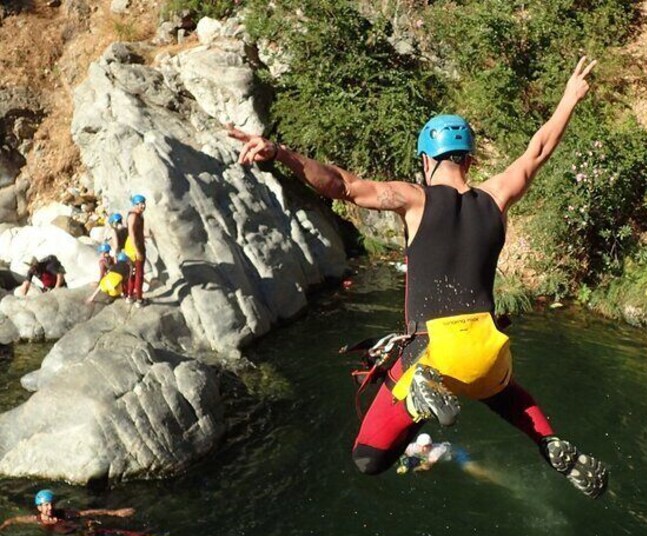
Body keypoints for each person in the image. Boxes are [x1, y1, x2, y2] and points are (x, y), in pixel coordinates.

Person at [229, 57, 608, 498]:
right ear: (471, 159)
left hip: (435, 351)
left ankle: (416, 398)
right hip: (489, 349)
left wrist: (280, 153)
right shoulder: (496, 196)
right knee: (502, 392)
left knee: (368, 458)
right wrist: (568, 99)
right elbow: (538, 150)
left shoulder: (415, 199)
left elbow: (342, 185)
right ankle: (548, 441)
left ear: (426, 160)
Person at [0, 489, 169, 536]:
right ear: (39, 507)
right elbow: (13, 520)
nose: (49, 508)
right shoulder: (36, 519)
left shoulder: (63, 514)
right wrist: (3, 526)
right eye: (45, 505)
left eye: (51, 504)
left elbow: (86, 512)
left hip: (80, 532)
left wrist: (115, 513)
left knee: (110, 533)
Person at [125, 195, 147, 307]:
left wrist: (144, 238)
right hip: (135, 248)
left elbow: (137, 232)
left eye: (143, 203)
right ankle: (139, 299)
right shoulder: (133, 216)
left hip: (134, 245)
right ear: (135, 204)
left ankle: (130, 296)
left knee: (133, 272)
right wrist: (137, 250)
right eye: (140, 204)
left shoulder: (138, 215)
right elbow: (131, 234)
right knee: (139, 274)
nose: (143, 206)